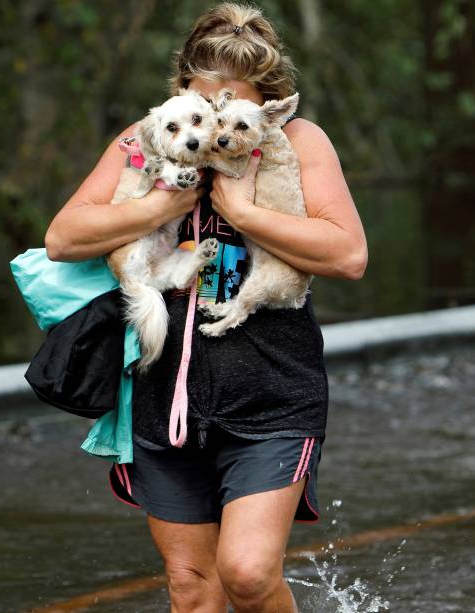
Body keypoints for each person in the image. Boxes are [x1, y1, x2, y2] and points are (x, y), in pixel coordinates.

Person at [44, 3, 367, 613]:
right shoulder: (151, 137)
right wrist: (163, 206)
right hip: (163, 397)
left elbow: (348, 254)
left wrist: (244, 215)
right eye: (204, 97)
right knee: (193, 589)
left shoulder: (297, 142)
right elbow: (64, 237)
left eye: (229, 102)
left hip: (270, 388)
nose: (213, 123)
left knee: (245, 574)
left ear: (263, 98)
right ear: (184, 88)